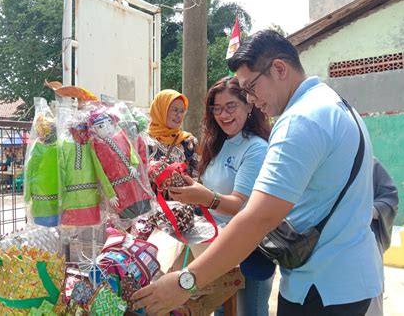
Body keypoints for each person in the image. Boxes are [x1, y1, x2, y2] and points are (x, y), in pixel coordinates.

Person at [132, 29, 383, 316]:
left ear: (279, 69)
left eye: (250, 88)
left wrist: (185, 282)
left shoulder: (300, 121)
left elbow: (257, 217)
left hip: (323, 289)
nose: (250, 100)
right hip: (349, 279)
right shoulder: (331, 103)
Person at [168, 77, 273, 316]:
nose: (223, 114)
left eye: (230, 106)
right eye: (217, 108)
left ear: (249, 105)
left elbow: (243, 206)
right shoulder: (217, 143)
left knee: (250, 312)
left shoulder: (256, 148)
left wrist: (203, 196)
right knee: (220, 309)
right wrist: (189, 189)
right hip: (213, 245)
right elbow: (209, 189)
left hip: (248, 249)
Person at [367, 158, 399, 316]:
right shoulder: (319, 163)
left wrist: (368, 211)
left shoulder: (369, 163)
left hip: (366, 243)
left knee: (369, 301)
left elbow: (390, 198)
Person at [148, 89, 199, 177]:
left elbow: (197, 176)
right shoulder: (145, 141)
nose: (179, 115)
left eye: (182, 111)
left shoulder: (188, 142)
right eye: (175, 110)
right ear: (160, 110)